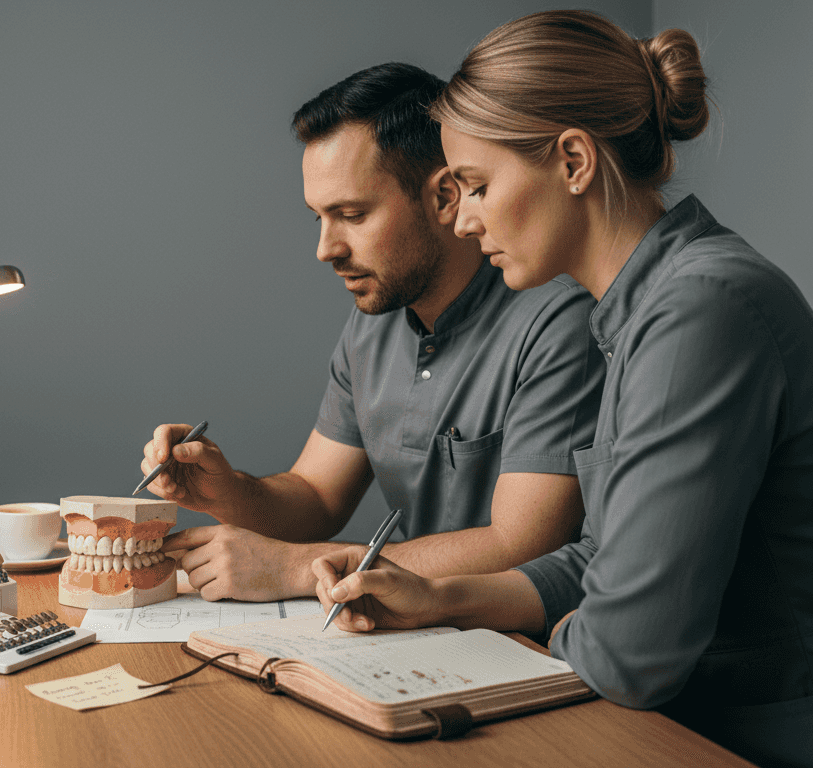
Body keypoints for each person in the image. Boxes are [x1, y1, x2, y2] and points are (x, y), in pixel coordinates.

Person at [312, 12, 813, 768]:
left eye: (479, 186)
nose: (466, 220)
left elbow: (628, 653)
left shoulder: (699, 311)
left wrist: (563, 630)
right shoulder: (645, 310)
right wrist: (443, 598)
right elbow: (603, 562)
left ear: (574, 161)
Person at [144, 63, 604, 602]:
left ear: (445, 198)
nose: (327, 249)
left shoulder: (557, 319)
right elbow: (316, 497)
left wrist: (297, 568)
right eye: (319, 218)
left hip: (527, 645)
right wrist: (229, 490)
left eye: (352, 214)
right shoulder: (372, 325)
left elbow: (523, 544)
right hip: (401, 629)